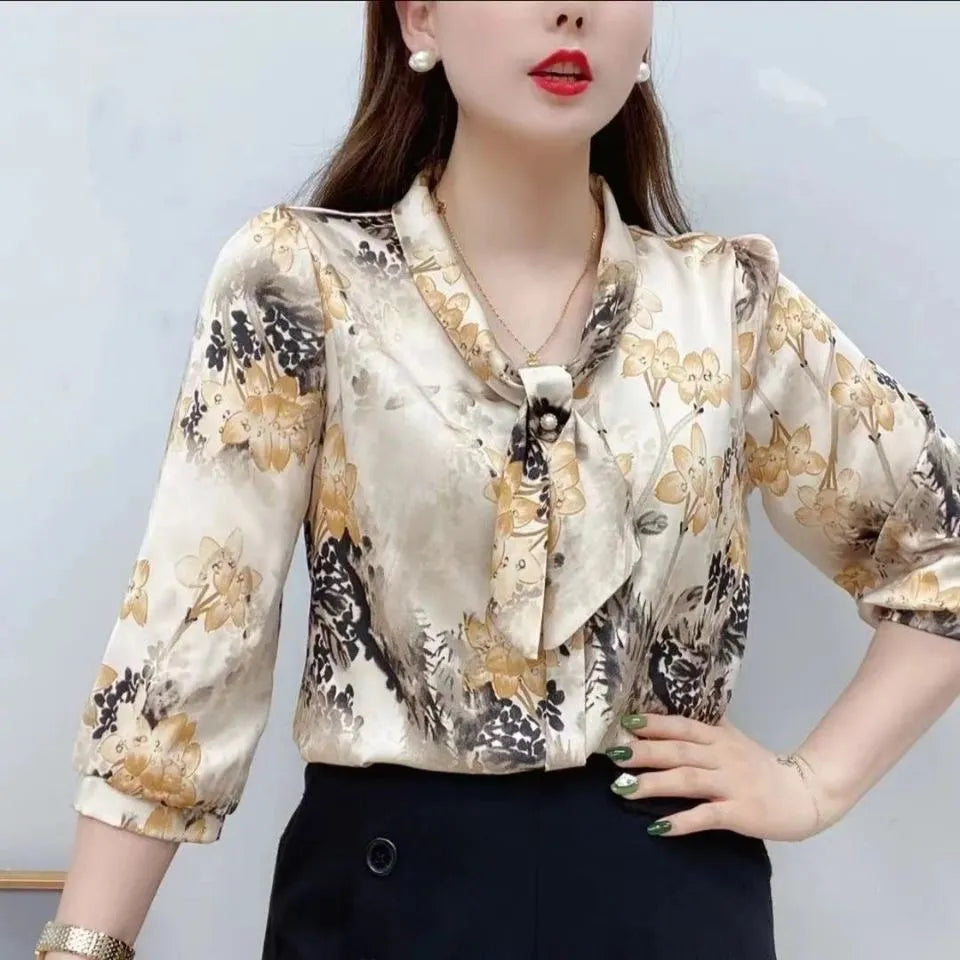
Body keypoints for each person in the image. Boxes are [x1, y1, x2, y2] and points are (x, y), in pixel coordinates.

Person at [36, 2, 960, 959]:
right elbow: (188, 643)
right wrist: (85, 944)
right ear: (419, 18)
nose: (571, 11)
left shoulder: (724, 307)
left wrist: (814, 785)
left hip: (668, 899)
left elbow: (944, 549)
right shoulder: (307, 283)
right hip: (382, 906)